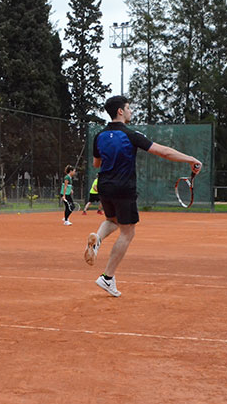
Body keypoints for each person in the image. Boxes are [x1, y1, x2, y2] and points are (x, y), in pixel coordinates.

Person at [83, 95, 201, 297]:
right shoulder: (131, 134)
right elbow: (163, 152)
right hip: (124, 187)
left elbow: (96, 164)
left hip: (104, 186)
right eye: (128, 108)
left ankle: (98, 239)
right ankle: (107, 278)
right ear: (120, 111)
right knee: (128, 232)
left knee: (112, 220)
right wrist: (190, 159)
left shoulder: (99, 136)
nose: (130, 111)